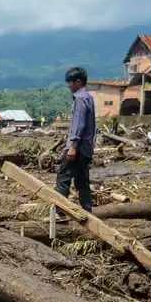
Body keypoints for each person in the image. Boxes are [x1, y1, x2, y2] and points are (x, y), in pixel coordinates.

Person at [58, 66, 95, 212]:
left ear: (78, 82)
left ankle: (60, 213)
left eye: (70, 82)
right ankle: (88, 211)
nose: (68, 85)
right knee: (82, 181)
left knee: (63, 178)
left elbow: (79, 123)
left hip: (78, 147)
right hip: (86, 148)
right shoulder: (89, 97)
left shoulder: (80, 99)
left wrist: (73, 146)